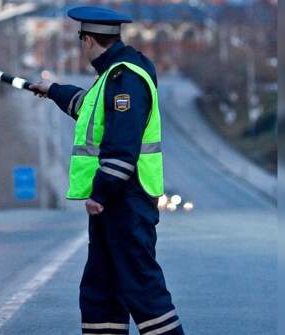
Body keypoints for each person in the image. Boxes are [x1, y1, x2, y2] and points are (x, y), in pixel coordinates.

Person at [30, 6, 185, 335]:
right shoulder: (115, 74)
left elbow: (121, 141)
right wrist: (53, 90)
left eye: (80, 40)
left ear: (87, 40)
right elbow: (90, 110)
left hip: (125, 200)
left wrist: (101, 193)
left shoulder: (123, 77)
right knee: (101, 290)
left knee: (142, 288)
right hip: (119, 202)